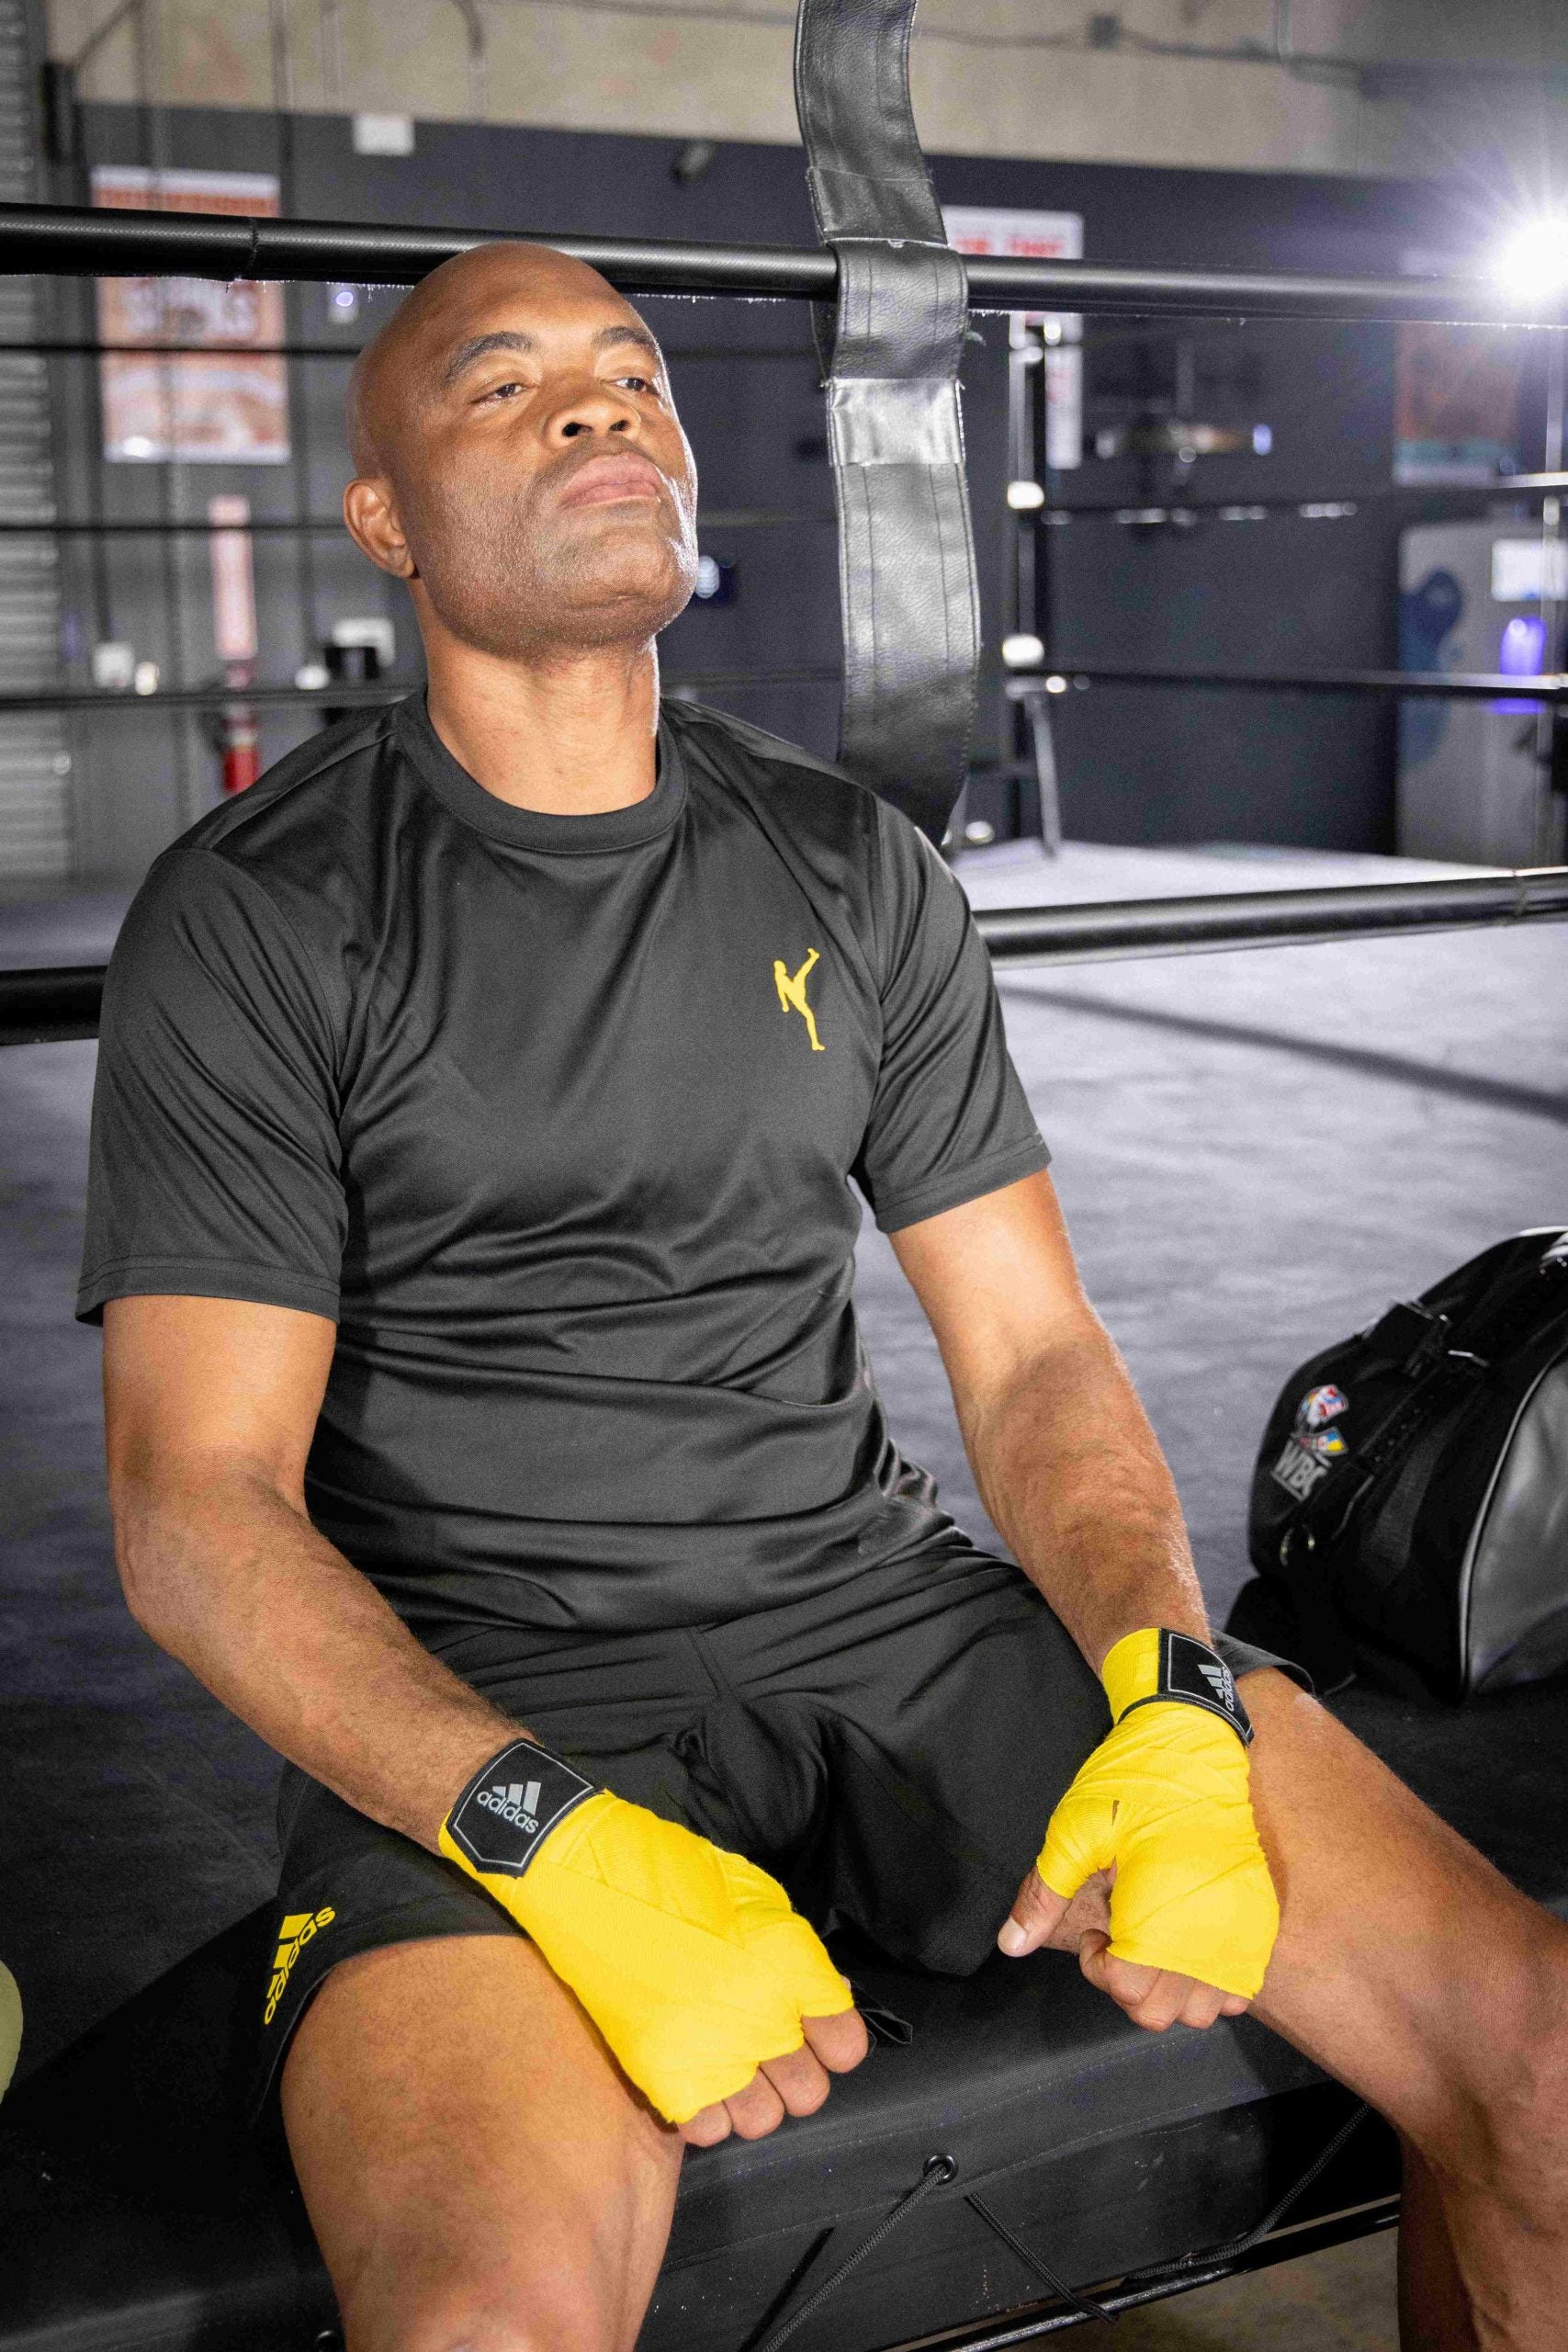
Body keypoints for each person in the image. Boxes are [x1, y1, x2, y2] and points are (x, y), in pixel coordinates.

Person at [81, 241, 1566, 2352]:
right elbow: (194, 1504)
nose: (597, 406)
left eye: (630, 371)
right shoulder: (260, 918)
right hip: (488, 1683)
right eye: (501, 387)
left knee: (1540, 2058)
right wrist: (545, 1836)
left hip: (878, 1619)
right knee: (480, 2324)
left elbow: (1033, 1347)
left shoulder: (849, 869)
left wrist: (1163, 1685)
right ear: (384, 522)